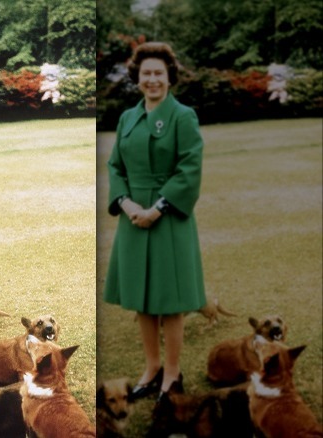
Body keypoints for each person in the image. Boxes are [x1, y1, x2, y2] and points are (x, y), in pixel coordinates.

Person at [104, 42, 206, 403]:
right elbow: (115, 166)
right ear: (137, 77)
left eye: (158, 73)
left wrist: (157, 208)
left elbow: (189, 168)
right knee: (142, 299)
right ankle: (152, 368)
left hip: (170, 220)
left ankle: (173, 374)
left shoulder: (183, 116)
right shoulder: (128, 118)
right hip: (133, 218)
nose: (152, 80)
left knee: (169, 301)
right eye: (146, 73)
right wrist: (129, 205)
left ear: (169, 77)